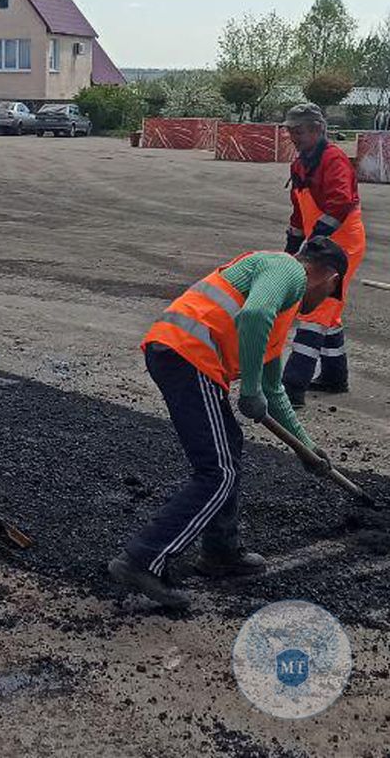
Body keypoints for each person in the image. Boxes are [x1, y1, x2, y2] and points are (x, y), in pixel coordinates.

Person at [108, 238, 349, 609]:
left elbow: (274, 390)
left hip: (189, 359)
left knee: (228, 450)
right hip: (187, 355)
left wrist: (306, 448)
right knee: (217, 472)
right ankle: (143, 559)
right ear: (330, 279)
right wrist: (249, 388)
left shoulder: (281, 307)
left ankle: (220, 551)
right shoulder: (285, 269)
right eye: (332, 293)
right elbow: (253, 317)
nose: (325, 302)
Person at [280, 103, 366, 407]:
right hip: (321, 244)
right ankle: (334, 376)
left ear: (317, 130)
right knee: (329, 310)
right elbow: (297, 212)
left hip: (343, 245)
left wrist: (315, 240)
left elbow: (340, 204)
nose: (293, 135)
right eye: (290, 130)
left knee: (316, 310)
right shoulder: (301, 163)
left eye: (298, 130)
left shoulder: (333, 159)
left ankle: (292, 386)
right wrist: (291, 250)